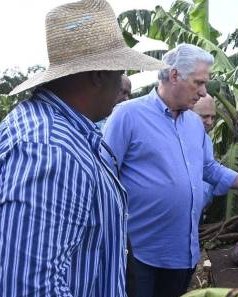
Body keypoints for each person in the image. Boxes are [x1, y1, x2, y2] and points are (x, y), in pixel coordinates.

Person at [0, 0, 165, 296]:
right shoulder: (51, 151)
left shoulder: (61, 130)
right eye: (119, 70)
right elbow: (29, 287)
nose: (122, 85)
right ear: (98, 74)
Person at [103, 43, 238, 297]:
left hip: (183, 253)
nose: (203, 92)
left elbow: (208, 168)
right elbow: (102, 177)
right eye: (198, 83)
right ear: (174, 75)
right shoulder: (128, 115)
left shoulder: (193, 124)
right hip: (139, 253)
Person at [192, 93, 217, 208]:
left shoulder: (205, 139)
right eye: (204, 116)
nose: (210, 122)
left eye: (213, 117)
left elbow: (208, 169)